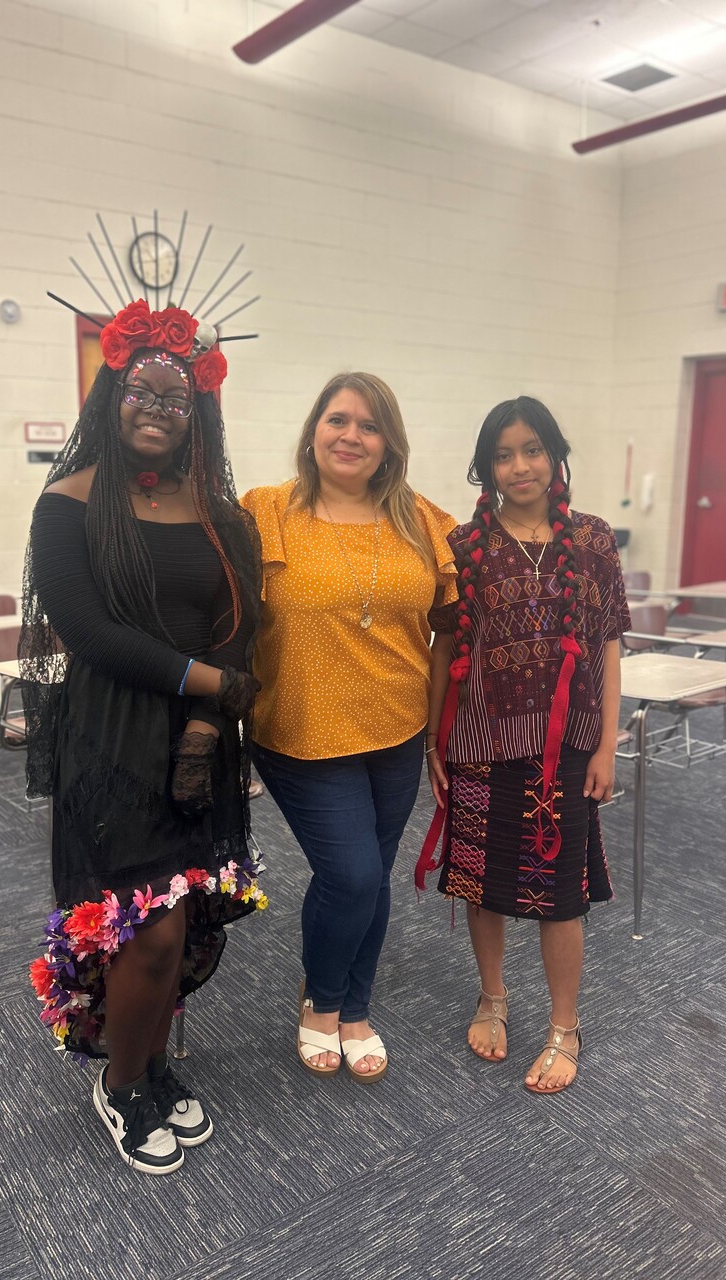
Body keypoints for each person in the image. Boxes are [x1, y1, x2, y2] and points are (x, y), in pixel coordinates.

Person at [22, 299, 265, 1174]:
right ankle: (121, 1084)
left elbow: (241, 618)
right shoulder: (69, 503)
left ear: (197, 410)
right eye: (141, 393)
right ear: (110, 398)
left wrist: (207, 722)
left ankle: (154, 1063)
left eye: (176, 398)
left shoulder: (217, 511)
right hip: (111, 735)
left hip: (199, 741)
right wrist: (211, 684)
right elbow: (90, 634)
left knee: (183, 915)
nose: (157, 410)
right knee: (145, 929)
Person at [241, 372, 457, 1082]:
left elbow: (455, 621)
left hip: (396, 725)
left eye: (369, 426)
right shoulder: (266, 511)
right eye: (338, 420)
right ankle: (322, 1003)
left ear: (388, 443)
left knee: (374, 876)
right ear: (313, 430)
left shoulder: (422, 521)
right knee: (354, 873)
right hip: (300, 728)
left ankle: (356, 1008)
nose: (351, 436)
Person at [417, 396, 629, 1094]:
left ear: (555, 453)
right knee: (485, 884)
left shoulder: (594, 541)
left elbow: (609, 644)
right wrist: (433, 742)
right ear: (485, 467)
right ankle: (493, 996)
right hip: (479, 741)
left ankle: (565, 1025)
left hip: (568, 748)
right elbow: (445, 645)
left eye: (532, 449)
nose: (520, 465)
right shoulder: (465, 549)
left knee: (559, 893)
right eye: (503, 454)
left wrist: (606, 745)